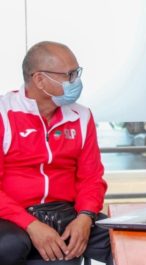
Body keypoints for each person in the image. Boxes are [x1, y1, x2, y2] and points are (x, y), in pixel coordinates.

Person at [0, 41, 112, 265]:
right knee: (9, 246)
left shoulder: (81, 116)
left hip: (66, 213)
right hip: (12, 216)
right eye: (69, 75)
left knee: (125, 240)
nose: (76, 82)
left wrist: (85, 217)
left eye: (77, 73)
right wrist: (31, 225)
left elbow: (91, 177)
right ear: (39, 79)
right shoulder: (4, 114)